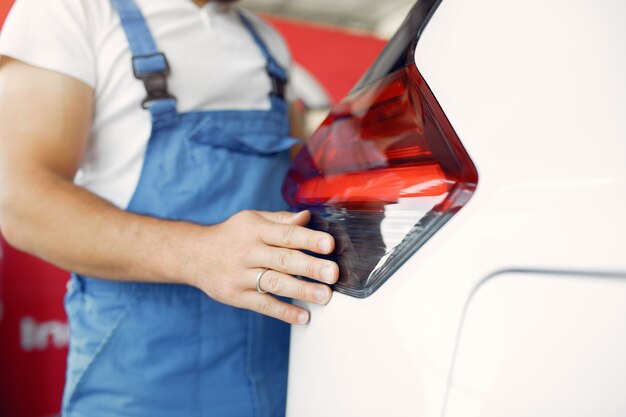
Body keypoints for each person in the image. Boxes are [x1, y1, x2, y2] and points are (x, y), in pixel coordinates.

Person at [0, 0, 339, 416]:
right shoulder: (71, 11)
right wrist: (200, 253)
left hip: (270, 378)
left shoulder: (267, 43)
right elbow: (21, 203)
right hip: (139, 380)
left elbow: (293, 186)